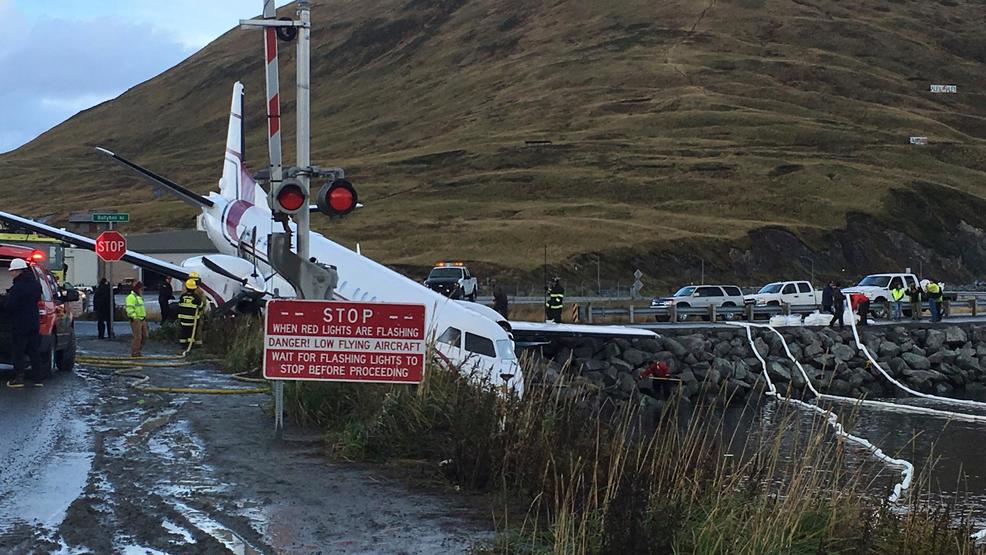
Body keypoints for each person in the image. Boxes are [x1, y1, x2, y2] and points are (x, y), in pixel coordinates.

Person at [5, 259, 44, 388]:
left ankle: (19, 378)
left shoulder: (17, 287)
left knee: (18, 351)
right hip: (33, 322)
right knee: (34, 351)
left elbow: (11, 305)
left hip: (19, 324)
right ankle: (38, 379)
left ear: (18, 271)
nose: (11, 274)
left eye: (12, 271)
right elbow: (37, 299)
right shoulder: (36, 285)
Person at [178, 279, 205, 349]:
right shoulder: (196, 297)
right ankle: (190, 345)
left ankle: (183, 345)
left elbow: (179, 305)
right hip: (192, 320)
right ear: (194, 288)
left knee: (184, 332)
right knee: (191, 333)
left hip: (183, 320)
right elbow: (201, 306)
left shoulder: (182, 296)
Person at [125, 281, 148, 357]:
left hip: (142, 319)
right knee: (137, 337)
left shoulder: (139, 297)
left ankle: (138, 351)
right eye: (141, 289)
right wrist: (134, 317)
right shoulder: (131, 297)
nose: (142, 291)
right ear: (137, 289)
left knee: (145, 336)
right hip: (136, 320)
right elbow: (129, 309)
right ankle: (135, 353)